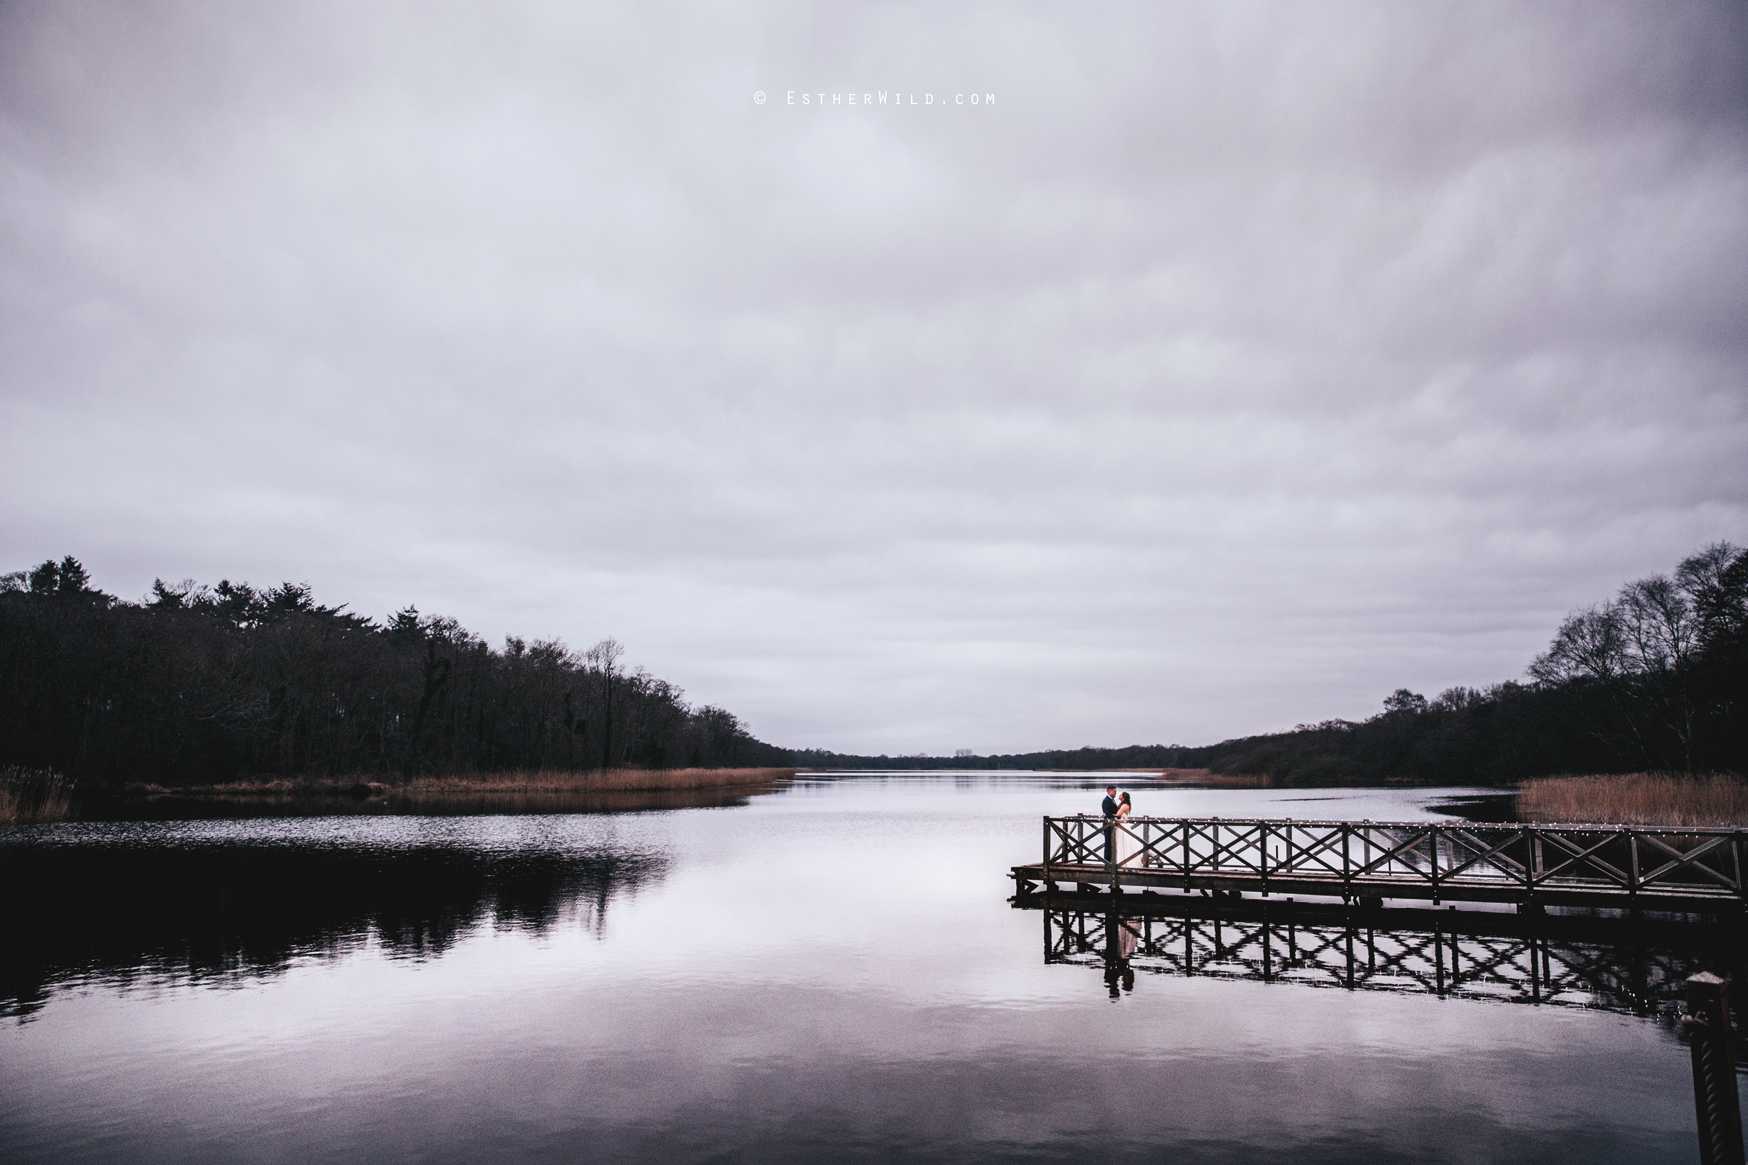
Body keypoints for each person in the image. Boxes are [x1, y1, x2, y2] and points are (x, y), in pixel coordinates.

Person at [1115, 791, 1140, 867]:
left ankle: (1124, 860)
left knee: (1124, 842)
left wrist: (1109, 815)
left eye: (1120, 795)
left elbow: (1118, 814)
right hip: (1122, 824)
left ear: (1123, 797)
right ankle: (1122, 860)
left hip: (1123, 825)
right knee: (1122, 842)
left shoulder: (1124, 805)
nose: (1119, 796)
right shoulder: (1124, 805)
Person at [1100, 785, 1119, 864]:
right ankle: (1107, 862)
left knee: (1113, 844)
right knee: (1108, 844)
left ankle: (1112, 861)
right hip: (1108, 825)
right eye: (1114, 791)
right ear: (1109, 791)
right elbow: (1107, 813)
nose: (1116, 793)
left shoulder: (1112, 800)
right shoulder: (1106, 800)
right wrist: (1116, 816)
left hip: (1112, 824)